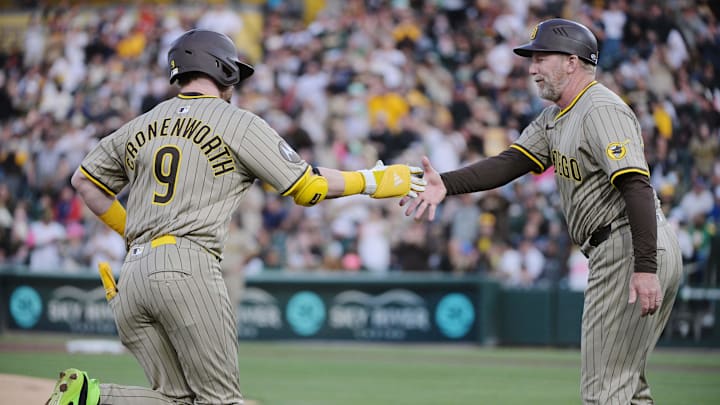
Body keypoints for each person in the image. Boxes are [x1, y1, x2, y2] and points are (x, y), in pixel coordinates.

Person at [47, 29, 424, 405]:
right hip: (186, 267)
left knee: (177, 400)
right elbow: (307, 187)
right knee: (220, 401)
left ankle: (88, 397)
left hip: (130, 278)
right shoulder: (237, 122)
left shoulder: (142, 123)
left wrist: (129, 231)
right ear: (221, 69)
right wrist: (373, 180)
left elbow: (84, 181)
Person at [402, 18, 683, 405]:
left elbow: (635, 184)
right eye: (530, 58)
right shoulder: (555, 117)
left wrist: (645, 267)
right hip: (622, 247)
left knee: (604, 392)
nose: (532, 68)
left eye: (541, 57)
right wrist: (445, 184)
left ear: (572, 61)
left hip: (628, 245)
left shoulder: (600, 109)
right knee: (627, 390)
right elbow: (509, 162)